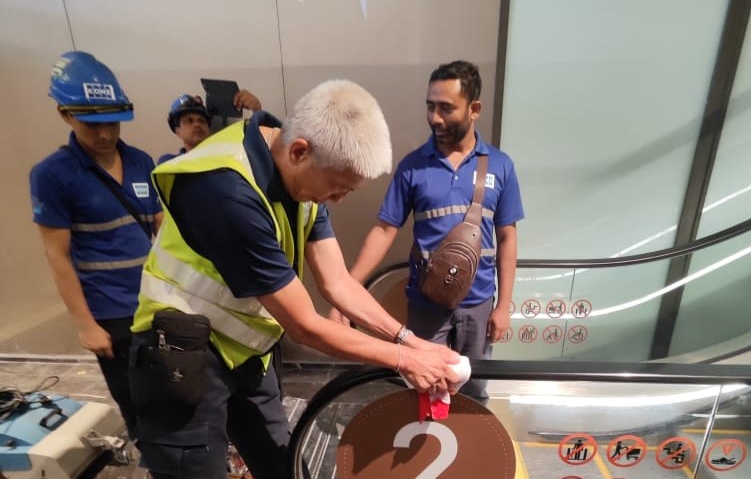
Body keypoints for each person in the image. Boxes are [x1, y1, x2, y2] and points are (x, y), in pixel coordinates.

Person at [129, 79, 462, 479]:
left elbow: (338, 282)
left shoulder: (303, 177)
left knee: (283, 463)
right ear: (300, 151)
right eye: (337, 188)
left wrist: (408, 341)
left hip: (246, 353)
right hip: (180, 355)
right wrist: (403, 360)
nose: (336, 201)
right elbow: (305, 324)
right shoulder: (223, 189)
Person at [334, 60, 524, 405]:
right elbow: (384, 229)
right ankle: (428, 451)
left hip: (479, 303)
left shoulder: (500, 165)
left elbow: (507, 238)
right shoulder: (413, 166)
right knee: (422, 386)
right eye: (430, 106)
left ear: (474, 109)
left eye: (446, 108)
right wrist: (346, 292)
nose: (435, 117)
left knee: (475, 388)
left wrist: (504, 306)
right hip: (426, 303)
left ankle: (469, 451)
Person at [29, 51, 164, 438]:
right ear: (65, 115)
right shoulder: (52, 175)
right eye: (93, 125)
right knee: (136, 401)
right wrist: (86, 324)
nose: (105, 134)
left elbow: (164, 230)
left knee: (172, 389)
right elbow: (57, 255)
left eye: (112, 123)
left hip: (154, 298)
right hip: (110, 311)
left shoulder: (141, 161)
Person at [158, 90, 262, 164]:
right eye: (189, 121)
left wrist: (257, 112)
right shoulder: (169, 163)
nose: (197, 124)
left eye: (202, 121)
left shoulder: (228, 161)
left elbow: (259, 156)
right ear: (177, 131)